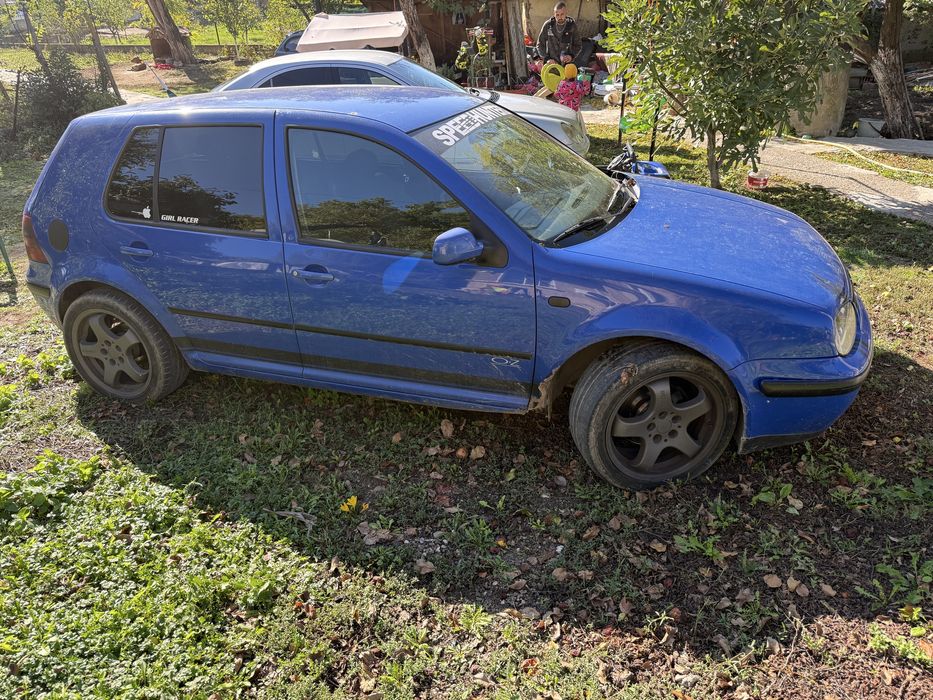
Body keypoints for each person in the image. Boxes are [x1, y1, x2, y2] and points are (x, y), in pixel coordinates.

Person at [536, 2, 581, 66]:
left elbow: (578, 45)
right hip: (551, 64)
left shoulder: (571, 26)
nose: (560, 17)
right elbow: (540, 44)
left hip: (567, 65)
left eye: (562, 14)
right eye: (557, 15)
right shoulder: (548, 25)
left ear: (566, 13)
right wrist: (547, 58)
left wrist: (571, 56)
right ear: (554, 14)